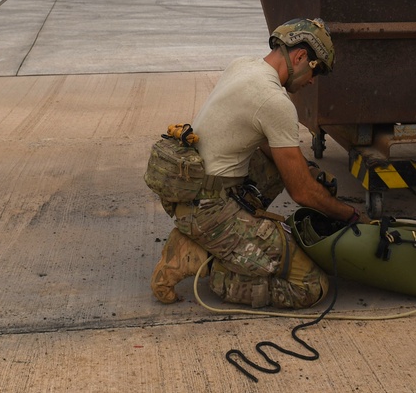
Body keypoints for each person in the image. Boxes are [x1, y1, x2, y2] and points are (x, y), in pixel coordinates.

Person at [150, 18, 366, 309]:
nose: (312, 81)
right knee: (311, 287)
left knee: (284, 166)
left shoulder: (244, 65)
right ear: (301, 57)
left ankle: (227, 238)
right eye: (316, 71)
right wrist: (349, 215)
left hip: (195, 195)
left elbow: (266, 141)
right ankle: (203, 260)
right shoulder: (275, 101)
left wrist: (308, 170)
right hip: (210, 210)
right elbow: (302, 193)